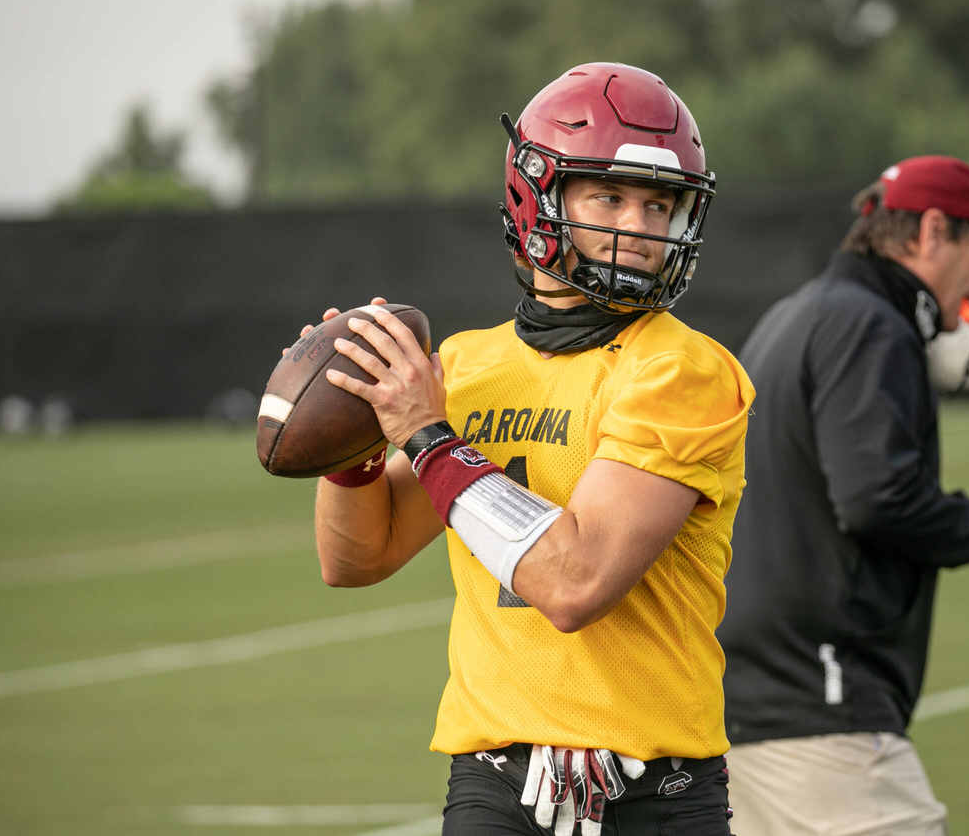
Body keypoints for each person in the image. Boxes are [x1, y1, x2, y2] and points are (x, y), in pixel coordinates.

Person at [304, 63, 752, 835]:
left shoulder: (685, 371)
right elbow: (355, 560)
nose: (640, 227)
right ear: (538, 195)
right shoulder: (469, 366)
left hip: (654, 796)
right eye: (609, 196)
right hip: (494, 786)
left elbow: (576, 584)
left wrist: (428, 436)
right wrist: (354, 443)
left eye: (659, 203)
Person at [718, 156, 969, 836]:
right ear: (931, 231)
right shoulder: (869, 322)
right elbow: (876, 497)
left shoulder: (794, 313)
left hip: (744, 706)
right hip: (822, 709)